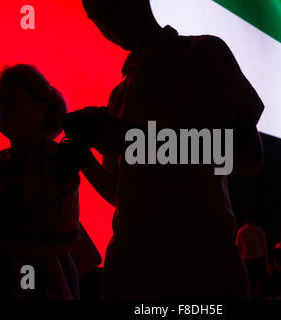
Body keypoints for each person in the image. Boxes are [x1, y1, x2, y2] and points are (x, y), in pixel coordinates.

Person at [73, 0, 265, 299]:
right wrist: (83, 158)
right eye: (96, 18)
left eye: (109, 8)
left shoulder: (204, 54)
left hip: (199, 273)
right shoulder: (118, 94)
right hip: (129, 273)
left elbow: (248, 154)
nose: (106, 25)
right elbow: (120, 194)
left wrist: (132, 139)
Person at [0, 64, 81, 299]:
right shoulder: (1, 160)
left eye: (11, 101)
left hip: (45, 284)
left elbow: (57, 236)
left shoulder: (55, 160)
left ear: (40, 108)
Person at [236, 212, 270, 300]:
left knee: (251, 282)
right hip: (259, 258)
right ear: (254, 219)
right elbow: (264, 246)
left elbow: (238, 247)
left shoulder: (240, 231)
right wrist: (266, 261)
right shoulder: (259, 230)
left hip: (247, 259)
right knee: (261, 282)